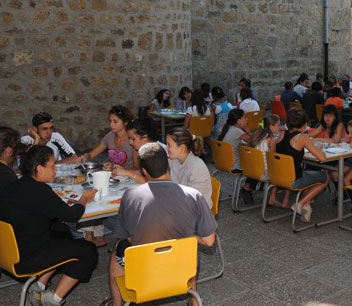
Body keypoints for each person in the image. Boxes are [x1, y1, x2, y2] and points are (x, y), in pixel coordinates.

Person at [106, 143, 216, 306]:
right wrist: (185, 236)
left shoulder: (130, 196)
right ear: (167, 165)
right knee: (189, 251)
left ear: (144, 171)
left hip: (144, 271)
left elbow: (125, 236)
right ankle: (193, 301)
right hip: (181, 269)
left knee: (118, 250)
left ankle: (117, 304)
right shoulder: (194, 195)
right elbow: (209, 241)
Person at [0, 145, 98, 306]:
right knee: (88, 250)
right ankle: (53, 299)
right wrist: (84, 199)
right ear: (39, 168)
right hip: (26, 259)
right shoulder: (39, 191)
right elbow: (73, 216)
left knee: (61, 229)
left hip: (7, 251)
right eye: (52, 166)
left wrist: (52, 199)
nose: (55, 170)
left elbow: (37, 209)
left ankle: (38, 285)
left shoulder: (19, 185)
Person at [76, 105, 135, 246]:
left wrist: (117, 168)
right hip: (113, 179)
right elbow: (93, 153)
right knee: (92, 194)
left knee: (96, 197)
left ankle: (93, 235)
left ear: (125, 122)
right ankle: (94, 235)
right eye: (110, 121)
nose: (111, 125)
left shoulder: (132, 139)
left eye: (115, 121)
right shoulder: (109, 137)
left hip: (128, 180)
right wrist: (85, 156)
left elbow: (137, 168)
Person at [276, 108, 330, 222]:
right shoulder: (302, 137)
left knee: (310, 176)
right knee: (325, 178)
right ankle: (299, 204)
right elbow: (322, 158)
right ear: (305, 124)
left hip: (279, 176)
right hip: (294, 179)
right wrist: (319, 149)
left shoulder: (281, 135)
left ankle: (307, 207)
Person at [166, 128, 213, 209]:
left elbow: (194, 200)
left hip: (196, 212)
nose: (166, 148)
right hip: (181, 204)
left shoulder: (197, 167)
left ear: (182, 148)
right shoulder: (175, 161)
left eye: (169, 145)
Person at [248, 115, 288, 208]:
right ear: (271, 126)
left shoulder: (255, 136)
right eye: (278, 125)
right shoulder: (271, 139)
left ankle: (272, 195)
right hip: (263, 171)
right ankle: (274, 198)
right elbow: (272, 158)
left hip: (251, 169)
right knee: (283, 169)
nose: (279, 127)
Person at [219, 109, 253, 204]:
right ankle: (248, 188)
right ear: (238, 121)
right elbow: (253, 141)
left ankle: (247, 188)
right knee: (256, 166)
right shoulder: (238, 131)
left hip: (224, 162)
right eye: (244, 117)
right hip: (234, 165)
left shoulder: (229, 129)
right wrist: (247, 130)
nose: (247, 119)